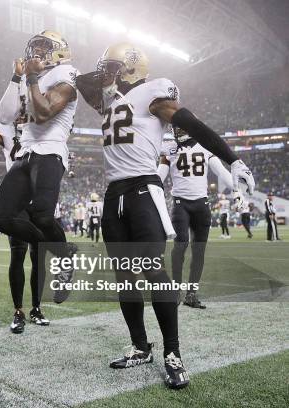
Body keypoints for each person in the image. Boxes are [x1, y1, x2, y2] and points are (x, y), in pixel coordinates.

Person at [76, 42, 254, 389]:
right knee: (125, 276)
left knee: (154, 271)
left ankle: (173, 353)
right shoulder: (110, 101)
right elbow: (84, 84)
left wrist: (231, 158)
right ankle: (141, 347)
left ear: (130, 68)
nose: (105, 74)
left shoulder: (152, 92)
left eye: (112, 68)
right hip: (114, 195)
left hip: (144, 190)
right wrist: (97, 73)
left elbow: (189, 121)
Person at [0, 30, 80, 305]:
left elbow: (42, 114)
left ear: (59, 51)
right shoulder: (32, 78)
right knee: (3, 217)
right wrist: (17, 77)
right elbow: (4, 117)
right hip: (26, 152)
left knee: (42, 215)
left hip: (51, 150)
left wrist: (30, 78)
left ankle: (63, 257)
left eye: (44, 48)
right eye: (36, 48)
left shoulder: (67, 73)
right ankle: (62, 252)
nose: (37, 53)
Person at [0, 87, 50, 333]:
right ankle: (19, 311)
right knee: (18, 254)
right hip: (17, 199)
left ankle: (37, 308)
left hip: (41, 197)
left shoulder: (44, 125)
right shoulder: (6, 130)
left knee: (39, 257)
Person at [158, 128, 239, 309]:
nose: (176, 132)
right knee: (180, 245)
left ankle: (191, 294)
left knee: (199, 250)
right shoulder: (169, 147)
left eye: (180, 128)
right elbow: (159, 176)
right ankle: (176, 290)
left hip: (201, 204)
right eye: (175, 128)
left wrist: (236, 189)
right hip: (181, 203)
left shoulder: (205, 146)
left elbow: (221, 171)